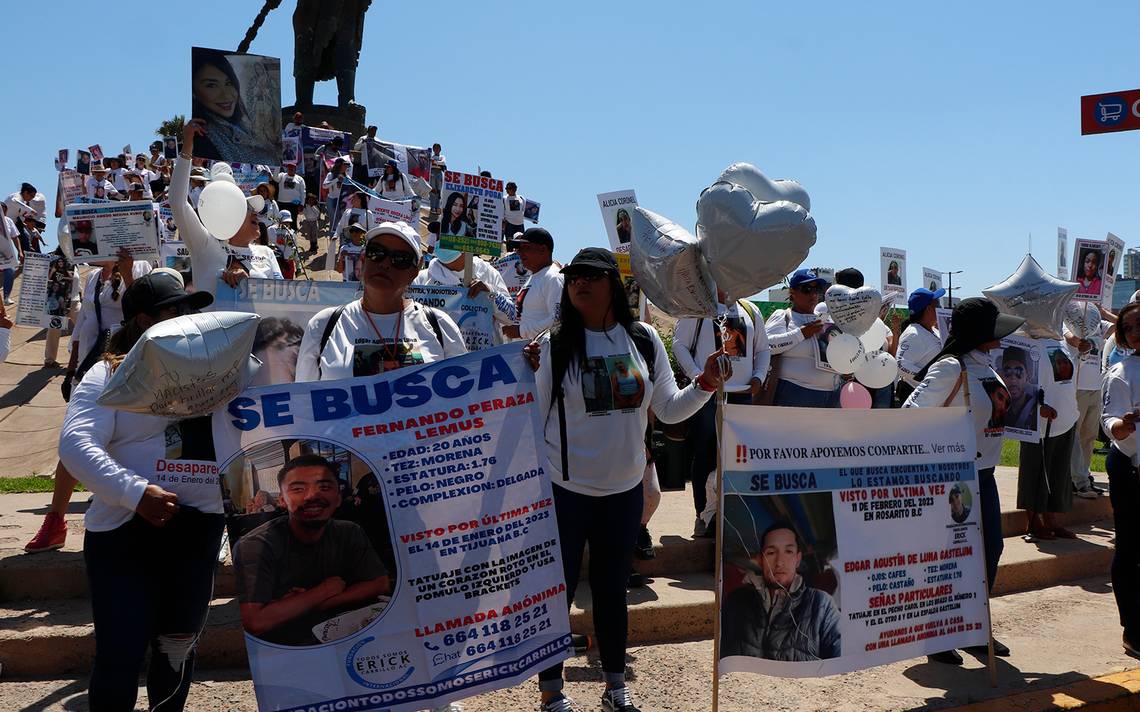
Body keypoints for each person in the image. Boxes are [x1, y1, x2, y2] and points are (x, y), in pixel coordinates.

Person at [531, 247, 727, 712]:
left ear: (612, 285)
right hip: (564, 493)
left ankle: (615, 688)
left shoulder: (641, 339)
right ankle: (551, 693)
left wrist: (704, 385)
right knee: (555, 594)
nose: (579, 282)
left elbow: (667, 409)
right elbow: (533, 422)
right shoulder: (551, 345)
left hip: (624, 493)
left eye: (591, 275)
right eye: (574, 275)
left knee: (611, 593)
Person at [58, 272, 219, 710]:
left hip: (198, 533)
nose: (188, 318)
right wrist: (136, 493)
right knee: (121, 653)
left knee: (177, 650)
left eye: (191, 309)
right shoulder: (107, 373)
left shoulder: (218, 372)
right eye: (176, 310)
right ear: (145, 320)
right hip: (126, 532)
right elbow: (75, 446)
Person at [904, 296, 1025, 663]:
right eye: (995, 330)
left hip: (983, 476)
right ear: (978, 332)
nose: (1002, 337)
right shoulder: (949, 368)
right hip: (954, 480)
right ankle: (937, 636)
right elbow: (909, 414)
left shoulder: (985, 364)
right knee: (951, 558)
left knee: (989, 551)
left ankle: (971, 626)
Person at [233, 454, 390, 646]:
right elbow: (256, 621)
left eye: (324, 487)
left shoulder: (349, 531)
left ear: (338, 498)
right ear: (282, 500)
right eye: (298, 489)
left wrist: (315, 600)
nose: (312, 496)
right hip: (287, 648)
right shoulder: (256, 545)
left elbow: (379, 583)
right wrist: (326, 589)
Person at [296, 222, 465, 382]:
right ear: (363, 260)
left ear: (414, 271)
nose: (385, 264)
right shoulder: (323, 326)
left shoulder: (440, 325)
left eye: (400, 259)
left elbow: (466, 398)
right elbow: (302, 403)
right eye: (376, 253)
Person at [673, 290, 770, 537]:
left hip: (742, 395)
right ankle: (704, 517)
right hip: (707, 395)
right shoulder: (696, 305)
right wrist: (700, 377)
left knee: (737, 457)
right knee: (706, 453)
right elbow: (680, 345)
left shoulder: (750, 309)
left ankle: (733, 516)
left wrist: (758, 377)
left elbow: (763, 349)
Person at [172, 119, 283, 298]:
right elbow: (178, 203)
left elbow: (282, 296)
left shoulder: (267, 252)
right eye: (247, 207)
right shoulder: (204, 244)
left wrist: (250, 284)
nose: (255, 212)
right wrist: (187, 147)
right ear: (230, 213)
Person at [721, 521, 841, 661]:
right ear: (760, 560)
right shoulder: (736, 600)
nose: (779, 562)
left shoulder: (822, 604)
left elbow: (841, 652)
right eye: (771, 553)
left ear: (798, 559)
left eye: (788, 551)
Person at [1099, 300, 1140, 660]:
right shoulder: (1120, 372)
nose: (1136, 331)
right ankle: (1134, 629)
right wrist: (1122, 425)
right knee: (1130, 549)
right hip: (1131, 467)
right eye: (1129, 328)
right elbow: (1109, 420)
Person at [1018, 334, 1079, 541]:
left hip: (1066, 418)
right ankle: (1034, 521)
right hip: (1039, 423)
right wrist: (1038, 406)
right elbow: (1018, 383)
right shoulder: (1023, 341)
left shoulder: (1059, 340)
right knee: (1035, 472)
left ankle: (1052, 520)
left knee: (1058, 473)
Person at [412, 247, 517, 344]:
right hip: (439, 356)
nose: (443, 239)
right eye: (440, 234)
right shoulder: (422, 279)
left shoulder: (488, 273)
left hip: (480, 358)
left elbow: (510, 317)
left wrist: (491, 293)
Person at [764, 270, 836, 407]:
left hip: (830, 395)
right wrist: (801, 333)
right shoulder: (784, 316)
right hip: (792, 393)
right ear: (792, 293)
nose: (814, 294)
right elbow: (766, 346)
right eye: (807, 289)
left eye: (817, 289)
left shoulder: (825, 321)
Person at [1064, 304, 1111, 498]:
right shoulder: (1068, 320)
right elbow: (1072, 339)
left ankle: (1084, 475)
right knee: (1074, 436)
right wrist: (1081, 343)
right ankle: (1079, 481)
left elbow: (1120, 325)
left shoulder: (1098, 322)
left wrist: (1103, 313)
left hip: (1095, 387)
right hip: (1077, 387)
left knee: (1089, 436)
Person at [191, 48, 267, 165]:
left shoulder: (248, 129)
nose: (226, 94)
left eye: (228, 83)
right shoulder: (203, 137)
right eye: (211, 85)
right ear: (194, 92)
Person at [507, 228, 563, 340]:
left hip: (545, 353)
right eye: (519, 249)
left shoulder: (553, 277)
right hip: (530, 353)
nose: (520, 253)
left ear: (543, 249)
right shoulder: (534, 277)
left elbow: (558, 320)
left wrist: (520, 331)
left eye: (526, 248)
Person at [896, 287, 945, 403]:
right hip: (916, 395)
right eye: (937, 305)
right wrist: (929, 380)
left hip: (929, 394)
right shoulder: (913, 334)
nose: (940, 308)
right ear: (928, 309)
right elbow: (901, 365)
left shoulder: (934, 331)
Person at [999, 346, 1037, 431]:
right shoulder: (997, 408)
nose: (1013, 379)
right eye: (1008, 373)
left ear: (1027, 377)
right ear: (1001, 376)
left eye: (1019, 372)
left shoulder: (1035, 406)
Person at [0, 204, 22, 304]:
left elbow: (15, 237)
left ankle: (6, 297)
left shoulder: (8, 221)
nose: (3, 213)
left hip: (6, 254)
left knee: (11, 270)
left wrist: (20, 251)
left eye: (4, 211)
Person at [275, 163, 306, 230]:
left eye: (292, 168)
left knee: (293, 221)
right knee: (281, 221)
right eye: (289, 168)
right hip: (282, 203)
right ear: (287, 169)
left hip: (294, 204)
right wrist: (277, 166)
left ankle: (293, 237)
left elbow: (303, 192)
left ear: (295, 169)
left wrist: (302, 204)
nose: (291, 169)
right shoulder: (282, 175)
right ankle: (281, 235)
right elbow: (275, 178)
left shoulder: (300, 179)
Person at [429, 143, 446, 214]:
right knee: (433, 190)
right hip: (432, 173)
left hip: (439, 173)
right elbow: (429, 163)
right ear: (433, 149)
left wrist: (435, 162)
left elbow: (443, 163)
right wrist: (435, 162)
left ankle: (437, 207)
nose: (436, 150)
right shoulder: (431, 157)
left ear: (440, 149)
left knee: (439, 191)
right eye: (435, 148)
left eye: (438, 148)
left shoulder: (442, 157)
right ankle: (432, 207)